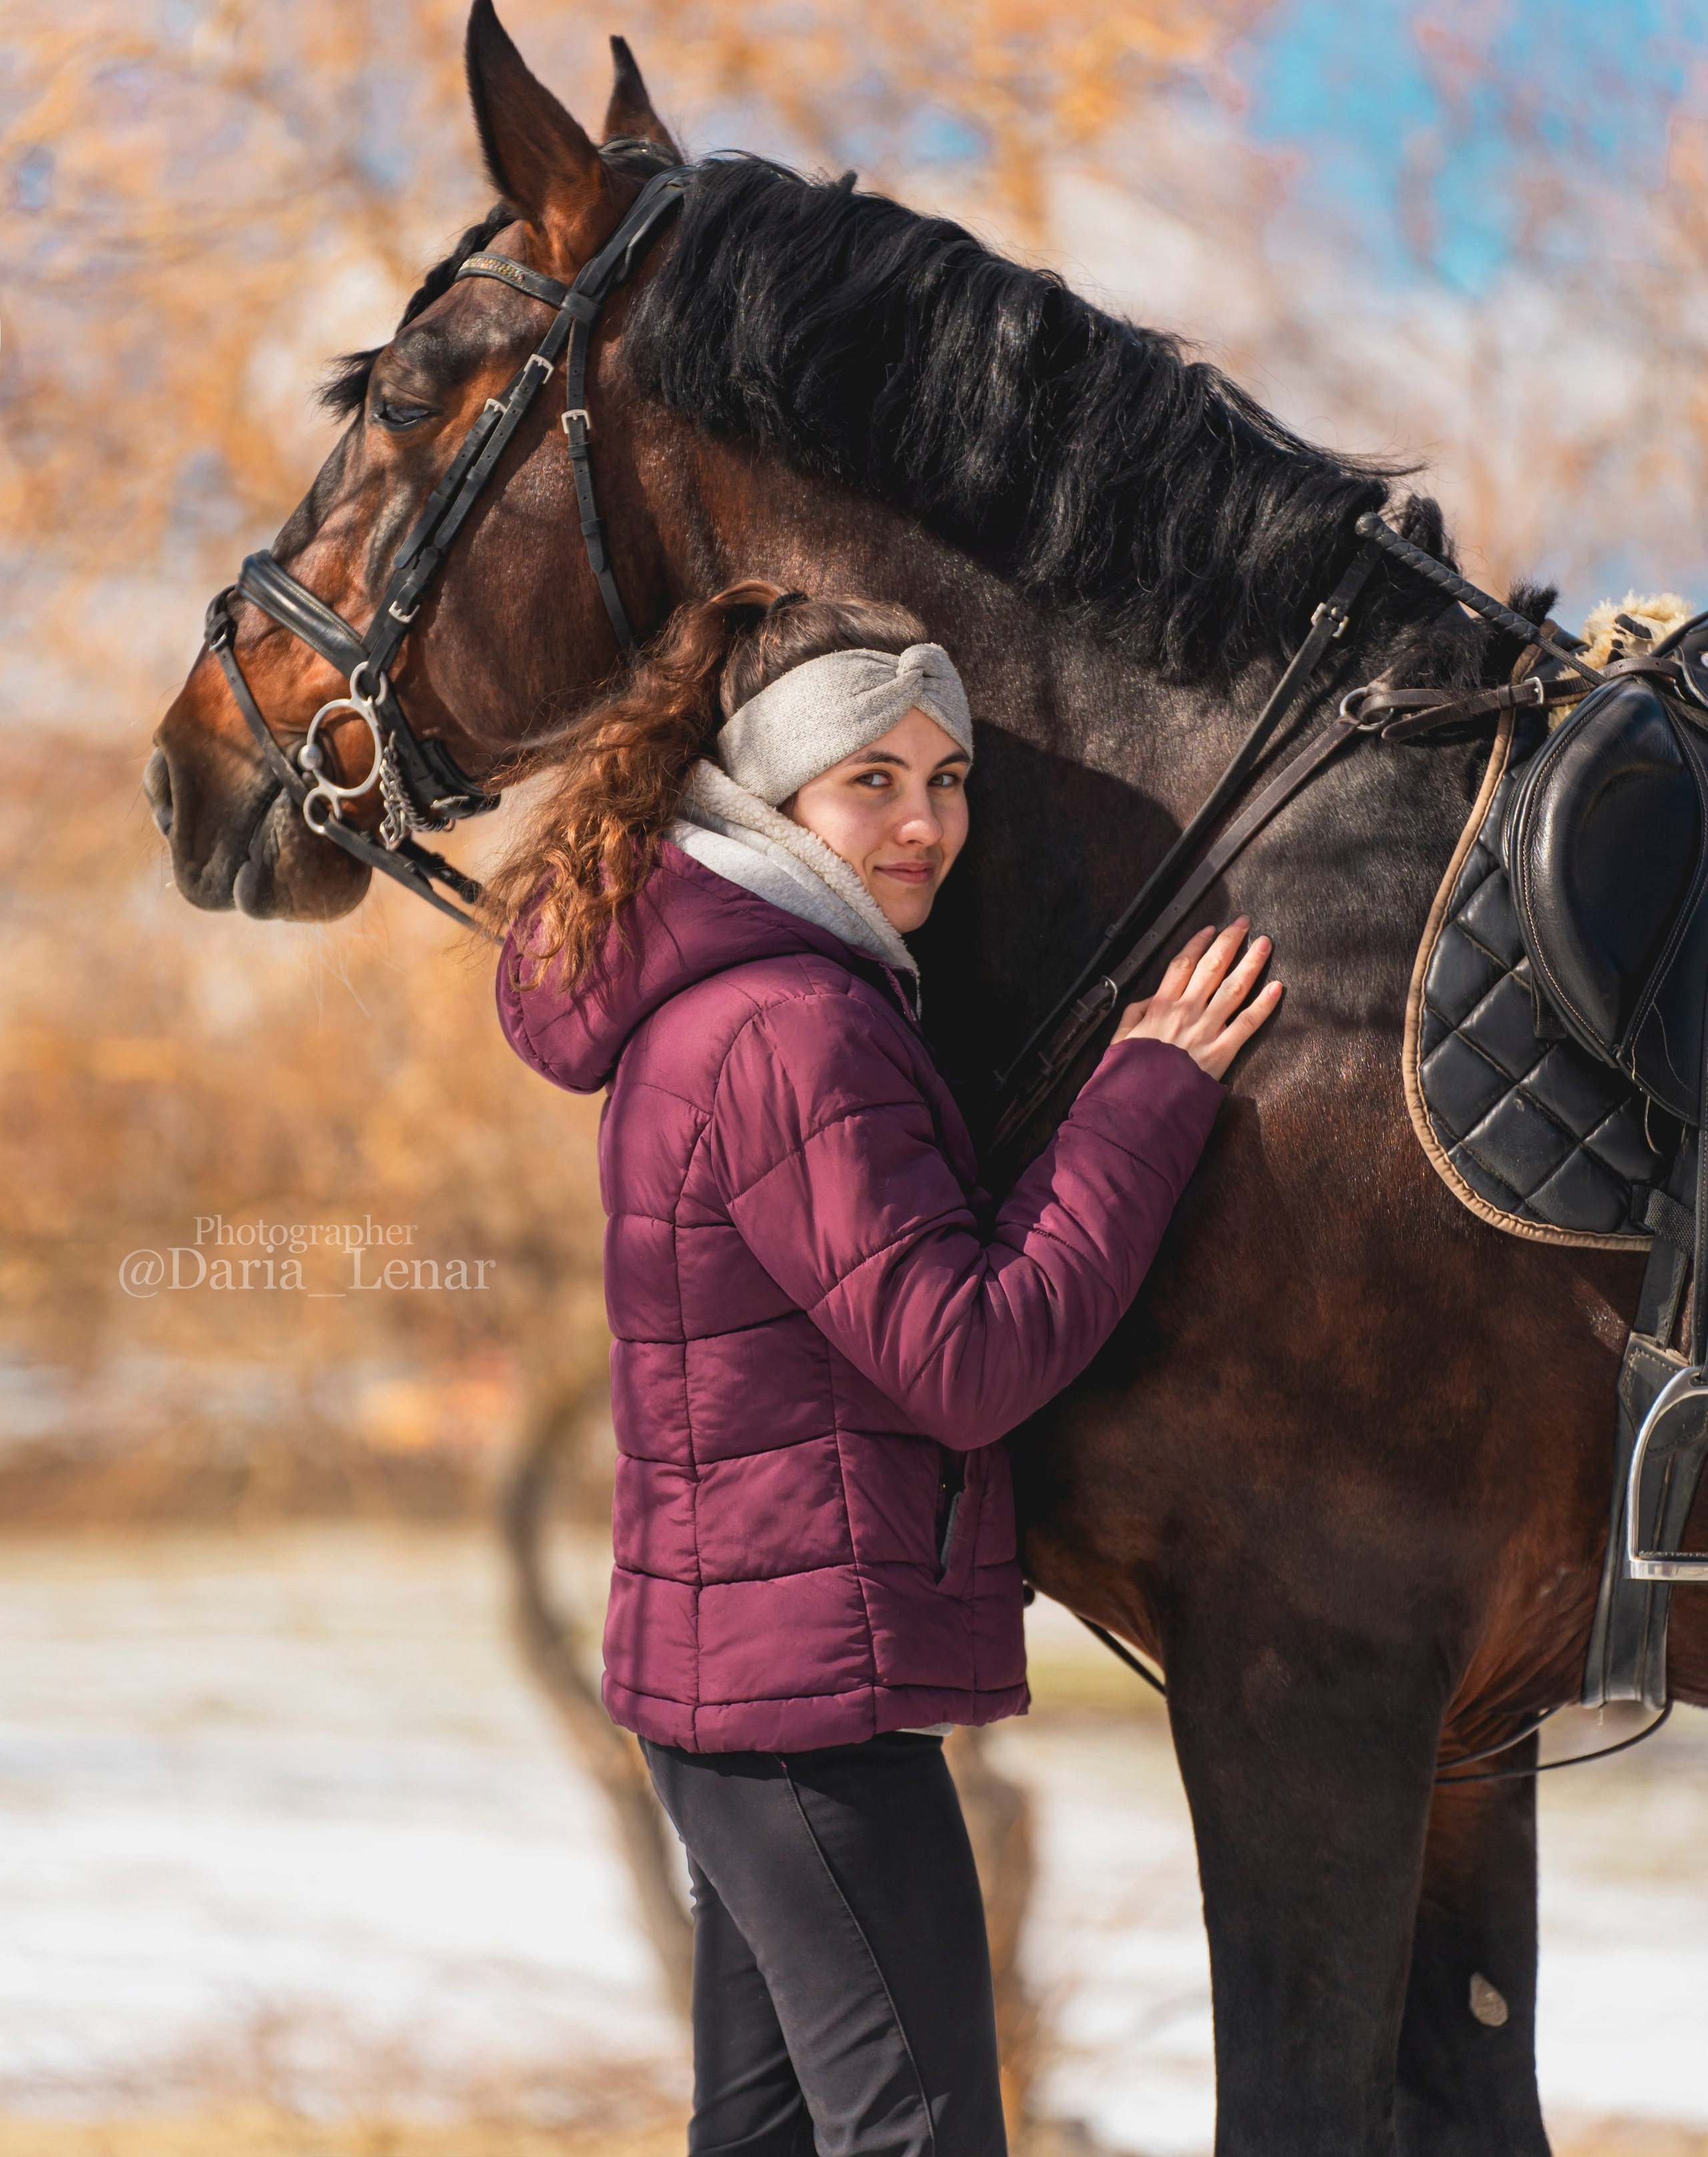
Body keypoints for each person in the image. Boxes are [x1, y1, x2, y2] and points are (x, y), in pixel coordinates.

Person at [492, 583, 1280, 2157]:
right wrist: (1144, 1093)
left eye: (947, 779)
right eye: (873, 781)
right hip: (800, 1714)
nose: (922, 824)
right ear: (769, 793)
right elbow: (966, 1360)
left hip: (750, 1690)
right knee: (918, 2134)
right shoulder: (791, 1027)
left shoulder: (752, 999)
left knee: (772, 2135)